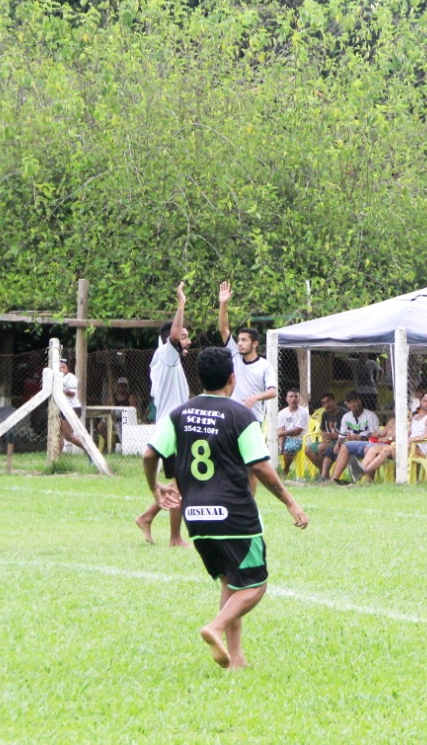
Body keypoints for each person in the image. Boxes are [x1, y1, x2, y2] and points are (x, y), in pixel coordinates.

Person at [142, 346, 309, 669]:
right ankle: (215, 626)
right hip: (235, 514)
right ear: (232, 380)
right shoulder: (241, 416)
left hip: (195, 517)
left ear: (199, 378)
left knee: (230, 583)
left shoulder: (178, 414)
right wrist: (291, 503)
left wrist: (155, 488)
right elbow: (259, 467)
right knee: (256, 585)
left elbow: (150, 455)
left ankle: (236, 658)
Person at [136, 281, 193, 547]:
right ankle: (174, 538)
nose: (187, 339)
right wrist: (181, 303)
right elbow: (173, 335)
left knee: (181, 482)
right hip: (172, 429)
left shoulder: (169, 361)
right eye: (184, 335)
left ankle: (148, 518)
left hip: (175, 427)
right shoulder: (166, 353)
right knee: (182, 482)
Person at [217, 281, 278, 422]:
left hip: (253, 419)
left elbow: (273, 391)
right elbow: (223, 329)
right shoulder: (235, 355)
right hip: (232, 417)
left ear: (255, 343)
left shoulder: (265, 366)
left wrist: (256, 397)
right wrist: (223, 303)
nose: (239, 343)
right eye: (239, 340)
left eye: (244, 340)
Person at [327, 392, 380, 484]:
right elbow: (342, 435)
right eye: (350, 402)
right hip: (352, 444)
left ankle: (368, 481)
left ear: (360, 401)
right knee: (340, 447)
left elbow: (375, 436)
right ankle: (333, 480)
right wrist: (338, 444)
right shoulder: (346, 417)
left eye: (356, 401)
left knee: (346, 446)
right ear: (346, 404)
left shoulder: (370, 416)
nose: (354, 404)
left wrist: (361, 437)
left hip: (369, 443)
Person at [303, 393, 345, 481]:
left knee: (321, 447)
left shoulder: (344, 414)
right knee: (308, 450)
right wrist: (324, 438)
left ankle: (323, 475)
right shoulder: (325, 414)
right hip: (328, 441)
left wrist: (334, 435)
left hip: (342, 442)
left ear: (334, 401)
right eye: (324, 403)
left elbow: (350, 433)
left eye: (329, 401)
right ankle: (324, 472)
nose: (327, 405)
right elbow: (323, 430)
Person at [57, 359, 90, 454]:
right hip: (62, 408)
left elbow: (72, 393)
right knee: (58, 434)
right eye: (60, 368)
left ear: (68, 368)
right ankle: (57, 459)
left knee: (68, 436)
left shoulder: (71, 378)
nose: (61, 369)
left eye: (63, 367)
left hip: (72, 408)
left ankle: (89, 450)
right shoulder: (58, 378)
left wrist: (62, 389)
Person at [276, 389, 309, 476]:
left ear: (299, 399)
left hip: (299, 438)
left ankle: (285, 470)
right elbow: (281, 430)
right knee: (270, 447)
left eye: (296, 396)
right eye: (291, 396)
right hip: (284, 437)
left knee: (287, 451)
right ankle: (272, 472)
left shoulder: (303, 412)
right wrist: (280, 446)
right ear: (286, 399)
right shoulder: (282, 413)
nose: (293, 399)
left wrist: (282, 434)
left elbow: (297, 431)